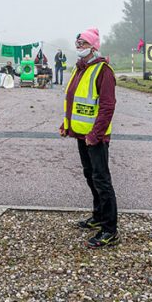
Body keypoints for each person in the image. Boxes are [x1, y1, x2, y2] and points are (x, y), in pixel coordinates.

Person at [60, 27, 119, 248]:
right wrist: (66, 124)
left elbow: (107, 106)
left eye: (83, 44)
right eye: (78, 43)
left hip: (96, 137)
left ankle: (110, 230)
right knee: (90, 175)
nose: (79, 47)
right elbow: (74, 100)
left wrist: (95, 134)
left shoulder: (103, 71)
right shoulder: (80, 68)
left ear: (94, 47)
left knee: (102, 179)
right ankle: (97, 216)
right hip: (81, 134)